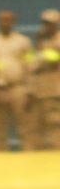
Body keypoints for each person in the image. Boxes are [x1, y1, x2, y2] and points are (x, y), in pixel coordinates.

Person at [0, 9, 34, 149]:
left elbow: (29, 66)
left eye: (8, 20)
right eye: (2, 20)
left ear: (13, 22)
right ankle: (1, 163)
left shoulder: (23, 42)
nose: (5, 23)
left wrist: (30, 90)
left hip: (18, 88)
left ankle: (29, 158)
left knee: (25, 127)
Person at [32, 10, 60, 147]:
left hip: (56, 90)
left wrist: (43, 52)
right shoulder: (42, 42)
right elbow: (34, 65)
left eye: (50, 24)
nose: (47, 27)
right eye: (45, 24)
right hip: (42, 90)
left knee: (56, 124)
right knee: (39, 125)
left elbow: (54, 59)